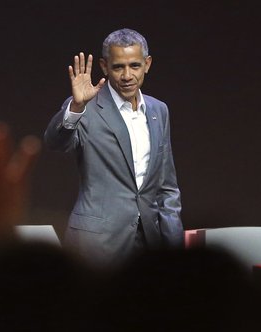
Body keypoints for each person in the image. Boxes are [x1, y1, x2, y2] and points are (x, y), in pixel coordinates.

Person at [44, 28, 184, 270]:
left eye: (135, 66)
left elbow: (166, 185)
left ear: (147, 64)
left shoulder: (158, 110)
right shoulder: (85, 105)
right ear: (104, 66)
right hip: (97, 245)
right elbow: (55, 143)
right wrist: (76, 107)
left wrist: (174, 247)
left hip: (149, 244)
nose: (127, 75)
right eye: (118, 67)